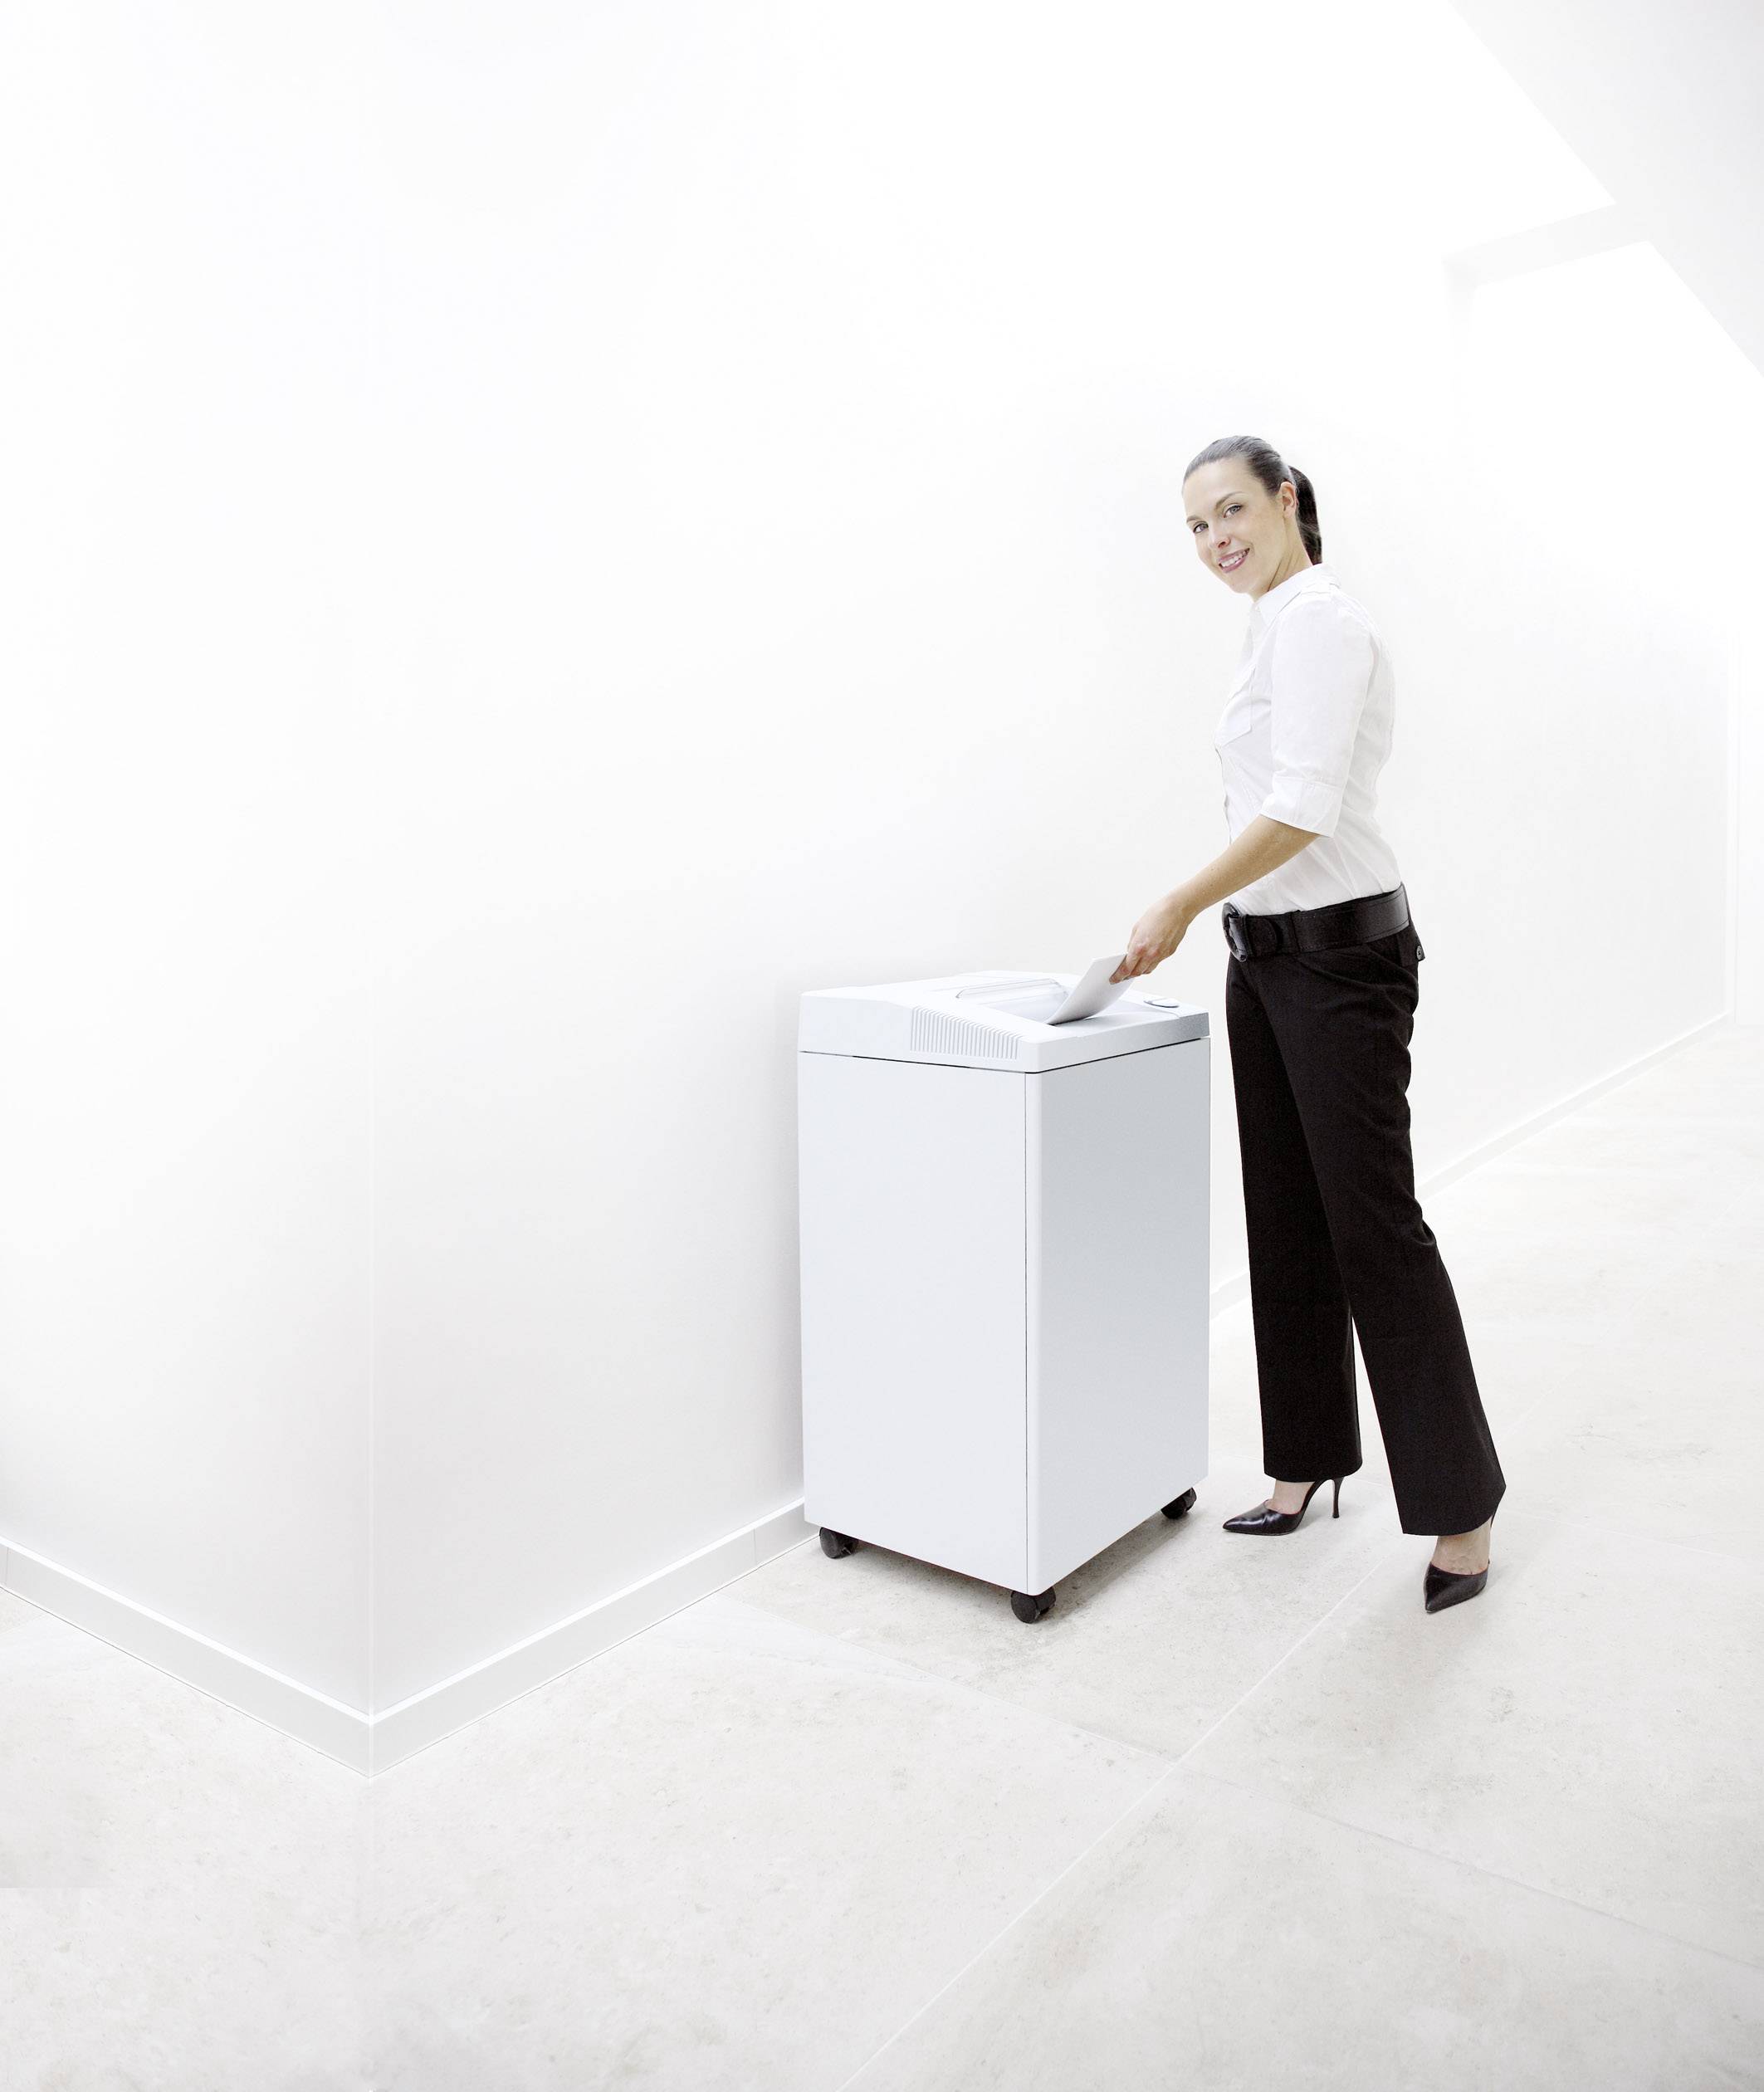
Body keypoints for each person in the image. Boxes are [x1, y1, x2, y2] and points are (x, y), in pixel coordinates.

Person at [1109, 434, 1505, 1615]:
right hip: (1266, 956)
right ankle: (1304, 1467)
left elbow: (1302, 806)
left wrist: (1182, 896)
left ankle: (1461, 1509)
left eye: (1230, 510)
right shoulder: (1268, 623)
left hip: (1342, 962)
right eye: (1194, 525)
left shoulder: (1320, 620)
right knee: (1284, 1220)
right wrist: (1223, 920)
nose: (1214, 539)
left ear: (1286, 501)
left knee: (1372, 1225)